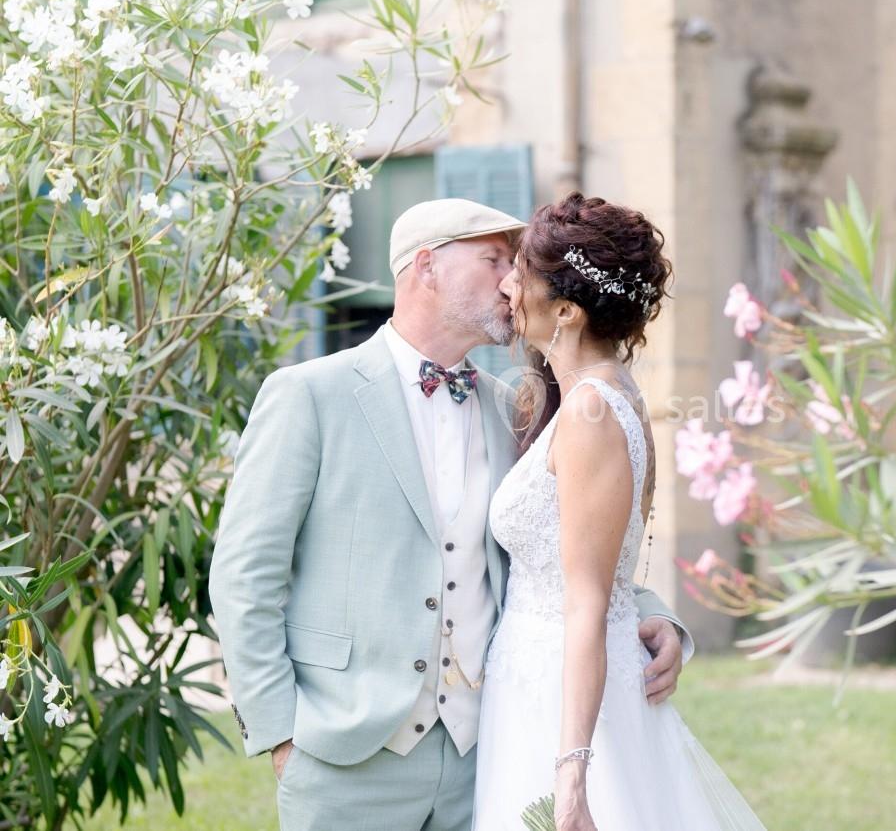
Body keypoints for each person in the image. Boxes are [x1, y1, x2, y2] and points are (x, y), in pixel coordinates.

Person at [208, 198, 691, 831]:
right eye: (493, 259)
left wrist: (653, 617)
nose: (511, 281)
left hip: (481, 751)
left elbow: (566, 543)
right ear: (427, 267)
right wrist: (283, 739)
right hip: (345, 758)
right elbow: (244, 576)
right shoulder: (308, 396)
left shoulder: (513, 406)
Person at [473, 192, 764, 830]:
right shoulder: (597, 395)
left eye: (521, 271)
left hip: (563, 700)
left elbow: (588, 602)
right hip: (536, 679)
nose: (508, 285)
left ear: (569, 311)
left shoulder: (589, 413)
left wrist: (573, 769)